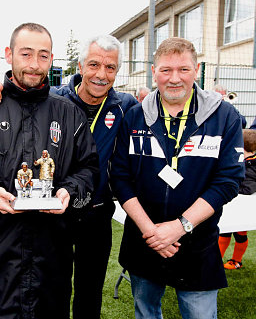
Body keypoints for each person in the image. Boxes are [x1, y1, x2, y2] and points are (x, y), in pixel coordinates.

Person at [0, 23, 99, 319]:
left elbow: (89, 169)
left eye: (43, 55)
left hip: (52, 261)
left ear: (52, 59)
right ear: (9, 55)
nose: (35, 65)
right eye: (26, 54)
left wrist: (69, 192)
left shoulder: (69, 113)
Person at [0, 34, 132, 318]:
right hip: (53, 215)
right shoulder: (54, 98)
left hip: (96, 212)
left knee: (89, 290)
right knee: (49, 287)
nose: (101, 74)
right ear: (81, 65)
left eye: (110, 68)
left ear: (118, 71)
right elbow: (19, 94)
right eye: (94, 65)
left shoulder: (127, 106)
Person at [110, 37, 245, 318]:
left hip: (198, 241)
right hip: (145, 241)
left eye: (183, 69)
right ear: (153, 71)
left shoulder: (225, 116)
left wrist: (180, 226)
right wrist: (152, 232)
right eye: (166, 70)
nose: (174, 79)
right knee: (146, 312)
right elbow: (120, 178)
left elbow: (229, 181)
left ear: (196, 70)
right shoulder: (134, 117)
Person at [218, 128, 256, 269]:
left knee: (239, 234)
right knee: (224, 232)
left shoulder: (252, 166)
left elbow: (248, 188)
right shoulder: (244, 161)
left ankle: (236, 261)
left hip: (242, 208)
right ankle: (217, 260)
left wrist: (233, 187)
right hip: (234, 206)